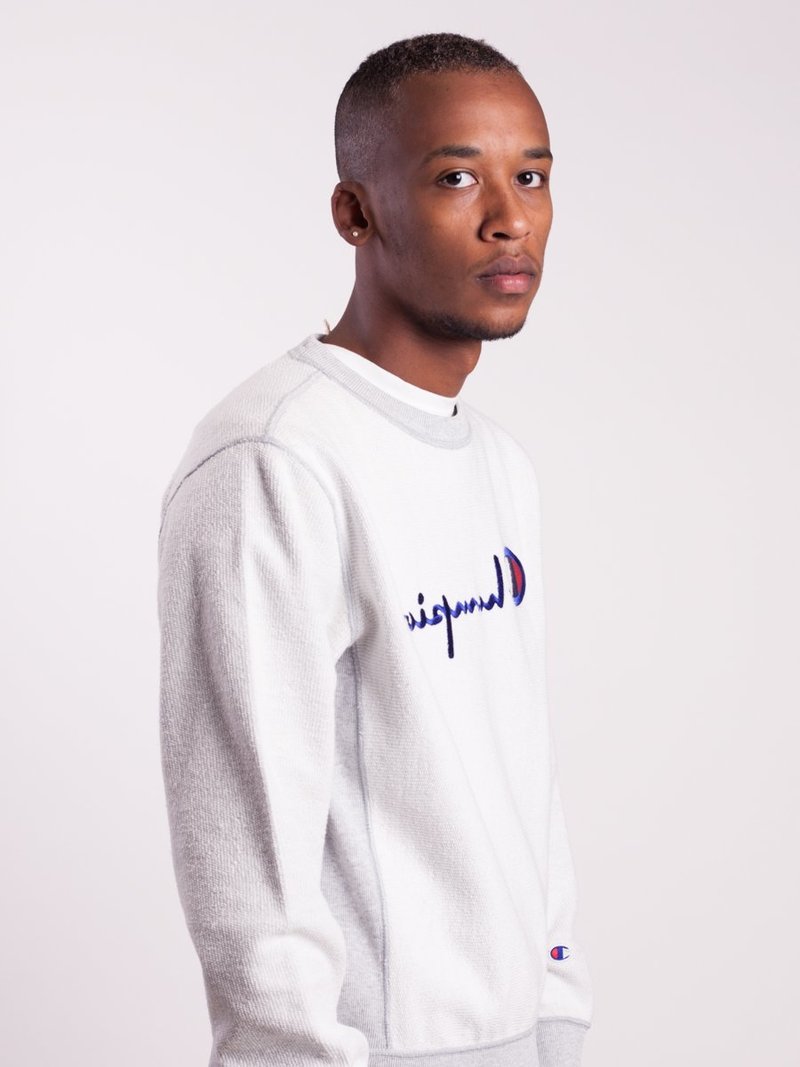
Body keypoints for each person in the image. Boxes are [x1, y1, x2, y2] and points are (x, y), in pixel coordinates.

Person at [157, 31, 594, 1067]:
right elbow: (246, 851)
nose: (508, 217)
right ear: (355, 213)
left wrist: (557, 1013)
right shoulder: (273, 459)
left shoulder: (499, 465)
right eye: (456, 177)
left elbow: (518, 777)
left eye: (531, 177)